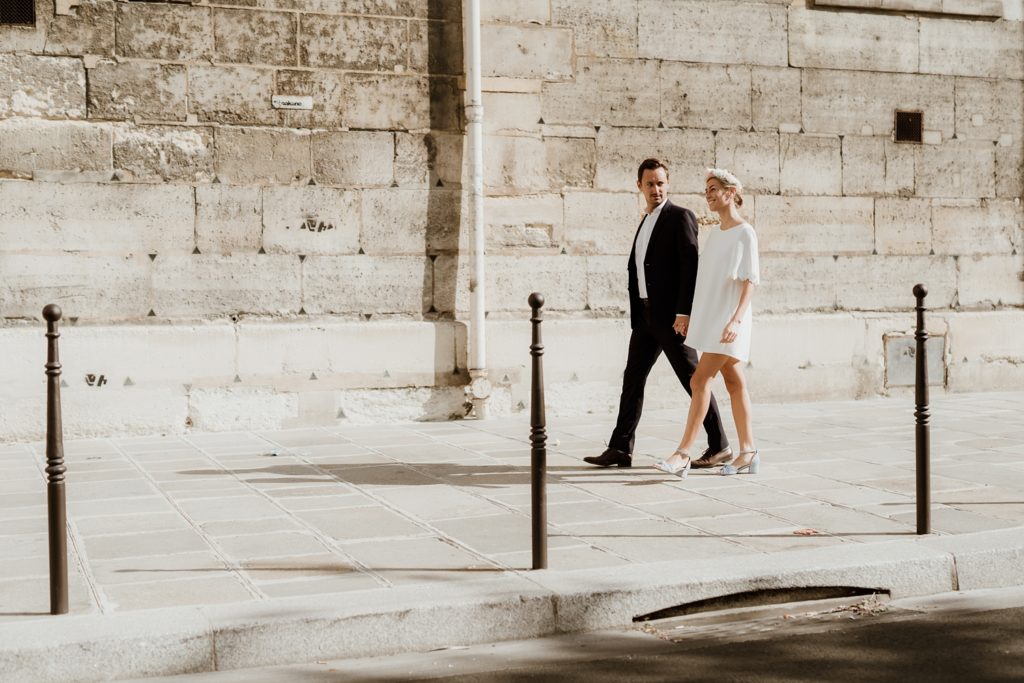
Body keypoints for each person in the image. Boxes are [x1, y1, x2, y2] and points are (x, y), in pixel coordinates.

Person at [584, 159, 731, 469]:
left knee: (694, 380)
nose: (656, 189)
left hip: (671, 318)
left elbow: (690, 268)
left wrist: (684, 313)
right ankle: (620, 447)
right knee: (632, 379)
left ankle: (719, 444)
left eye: (661, 183)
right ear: (639, 186)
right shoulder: (646, 220)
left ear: (668, 184)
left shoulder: (680, 217)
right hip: (645, 317)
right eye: (650, 183)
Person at [654, 168, 760, 478]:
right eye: (707, 190)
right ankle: (748, 451)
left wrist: (736, 321)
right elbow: (707, 282)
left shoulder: (745, 232)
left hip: (729, 321)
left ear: (730, 192)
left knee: (699, 381)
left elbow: (750, 281)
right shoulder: (716, 233)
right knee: (734, 382)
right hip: (714, 318)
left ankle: (682, 454)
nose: (708, 194)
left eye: (714, 188)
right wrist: (690, 315)